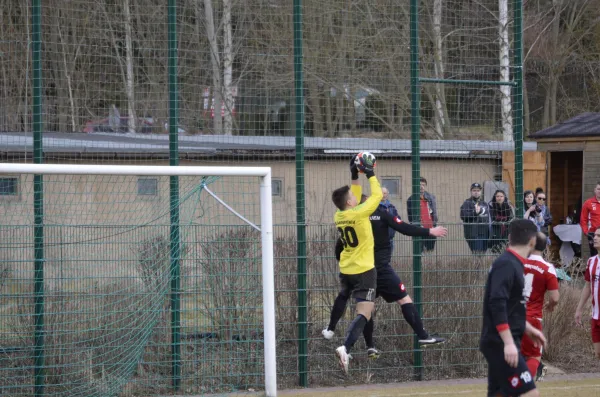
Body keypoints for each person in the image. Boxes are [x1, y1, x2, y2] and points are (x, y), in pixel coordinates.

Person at [323, 193, 448, 357]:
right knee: (404, 299)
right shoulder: (380, 214)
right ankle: (423, 336)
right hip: (381, 270)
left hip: (361, 271)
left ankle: (364, 346)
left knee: (366, 308)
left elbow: (340, 247)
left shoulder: (353, 219)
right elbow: (404, 227)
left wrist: (346, 263)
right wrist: (429, 231)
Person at [480, 219, 547, 397]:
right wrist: (508, 343)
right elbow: (497, 303)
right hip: (499, 343)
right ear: (532, 241)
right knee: (530, 393)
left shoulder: (514, 263)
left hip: (502, 342)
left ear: (510, 237)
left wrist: (527, 327)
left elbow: (510, 308)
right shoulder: (507, 264)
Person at [331, 153, 382, 374]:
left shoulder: (340, 215)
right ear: (351, 202)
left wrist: (354, 174)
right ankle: (345, 347)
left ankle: (346, 346)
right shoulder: (361, 213)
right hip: (364, 270)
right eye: (353, 195)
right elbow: (377, 195)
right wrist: (370, 173)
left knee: (360, 308)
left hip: (347, 269)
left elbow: (356, 196)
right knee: (365, 311)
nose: (356, 196)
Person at [522, 232, 559, 381]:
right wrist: (550, 306)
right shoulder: (547, 268)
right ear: (545, 247)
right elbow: (555, 297)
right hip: (532, 317)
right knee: (534, 355)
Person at [575, 228, 600, 359]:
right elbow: (587, 286)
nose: (595, 238)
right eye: (594, 235)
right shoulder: (591, 261)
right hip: (595, 315)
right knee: (598, 354)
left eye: (599, 236)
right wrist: (579, 309)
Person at [407, 177, 438, 252]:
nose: (421, 187)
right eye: (419, 185)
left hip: (430, 227)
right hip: (419, 228)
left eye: (423, 185)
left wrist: (434, 224)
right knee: (419, 250)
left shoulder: (431, 197)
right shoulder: (411, 199)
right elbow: (410, 216)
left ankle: (429, 263)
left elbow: (434, 212)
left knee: (430, 250)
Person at [460, 183, 490, 254]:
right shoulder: (467, 203)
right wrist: (475, 213)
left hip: (485, 233)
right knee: (477, 254)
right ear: (471, 191)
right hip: (473, 233)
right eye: (474, 190)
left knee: (482, 255)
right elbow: (463, 216)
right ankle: (476, 265)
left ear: (480, 191)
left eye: (478, 190)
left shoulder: (484, 203)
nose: (476, 192)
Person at [580, 182, 600, 257]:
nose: (599, 191)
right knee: (594, 255)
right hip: (593, 234)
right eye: (598, 189)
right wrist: (586, 232)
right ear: (595, 190)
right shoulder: (588, 203)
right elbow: (583, 219)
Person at [379, 187, 400, 254]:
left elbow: (398, 218)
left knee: (389, 257)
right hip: (379, 239)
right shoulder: (375, 207)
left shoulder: (391, 207)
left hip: (390, 238)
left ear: (387, 194)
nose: (383, 195)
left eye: (385, 193)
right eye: (382, 193)